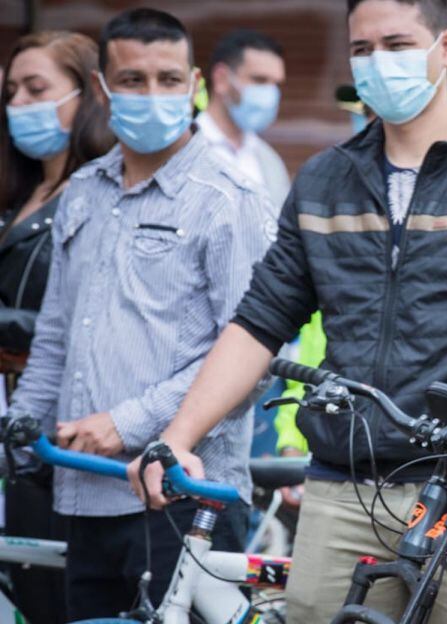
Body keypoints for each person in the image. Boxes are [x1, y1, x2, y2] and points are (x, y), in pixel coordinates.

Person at [127, 0, 447, 621]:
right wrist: (176, 438)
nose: (377, 63)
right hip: (341, 487)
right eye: (362, 49)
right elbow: (258, 322)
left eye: (397, 45)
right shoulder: (324, 180)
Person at [7, 9, 275, 619]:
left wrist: (126, 422)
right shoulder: (84, 192)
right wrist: (18, 436)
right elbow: (55, 340)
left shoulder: (228, 200)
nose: (152, 94)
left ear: (195, 84)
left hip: (185, 498)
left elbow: (252, 358)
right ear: (102, 88)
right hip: (82, 491)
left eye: (168, 79)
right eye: (132, 80)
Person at [0, 30, 114, 624]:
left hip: (70, 437)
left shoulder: (99, 192)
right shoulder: (21, 192)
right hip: (20, 437)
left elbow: (81, 320)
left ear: (86, 93)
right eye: (11, 92)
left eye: (36, 89)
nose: (19, 103)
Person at [196, 29, 290, 209]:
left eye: (276, 84)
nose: (270, 93)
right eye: (259, 80)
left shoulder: (269, 160)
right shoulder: (181, 148)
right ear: (221, 79)